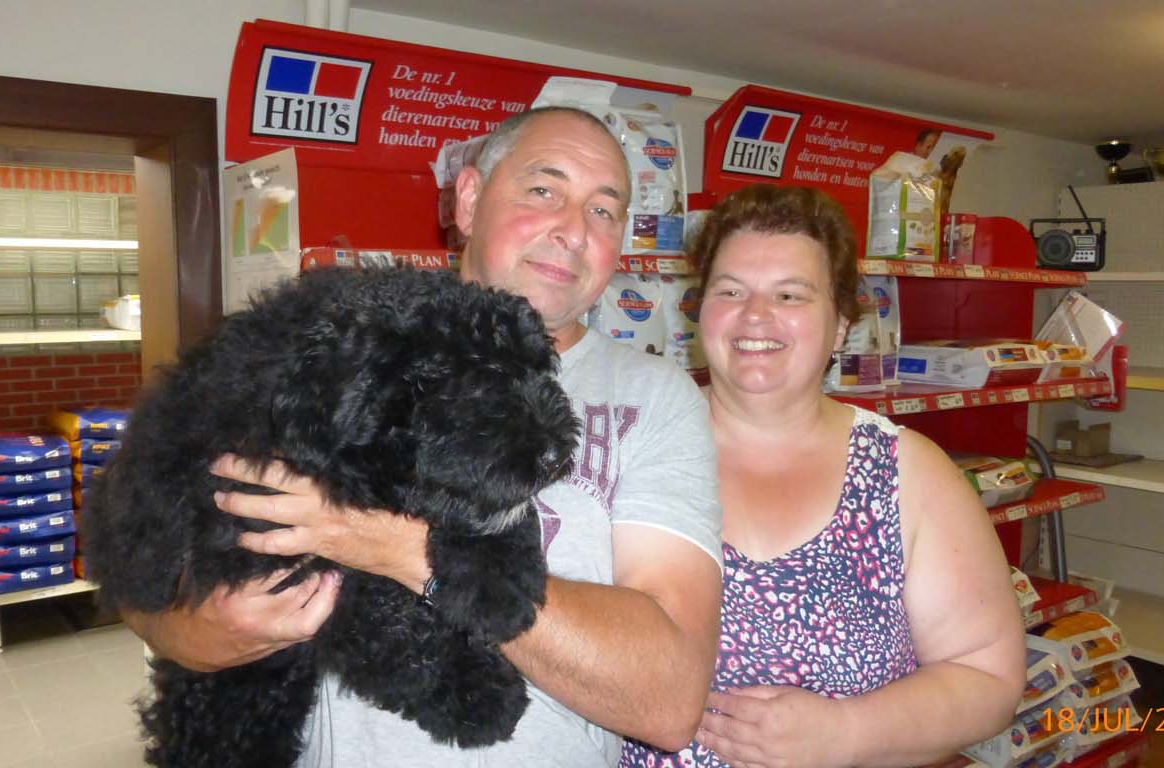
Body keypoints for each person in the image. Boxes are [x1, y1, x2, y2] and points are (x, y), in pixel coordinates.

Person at [121, 106, 724, 767]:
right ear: (468, 200)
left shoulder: (657, 397)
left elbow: (669, 703)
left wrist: (399, 549)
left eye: (603, 210)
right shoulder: (342, 346)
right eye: (542, 189)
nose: (574, 230)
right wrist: (192, 634)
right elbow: (148, 547)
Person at [620, 184, 1025, 768]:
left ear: (840, 325)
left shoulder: (906, 474)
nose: (755, 314)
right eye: (730, 290)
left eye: (790, 294)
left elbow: (988, 677)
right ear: (700, 309)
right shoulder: (632, 451)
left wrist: (846, 732)